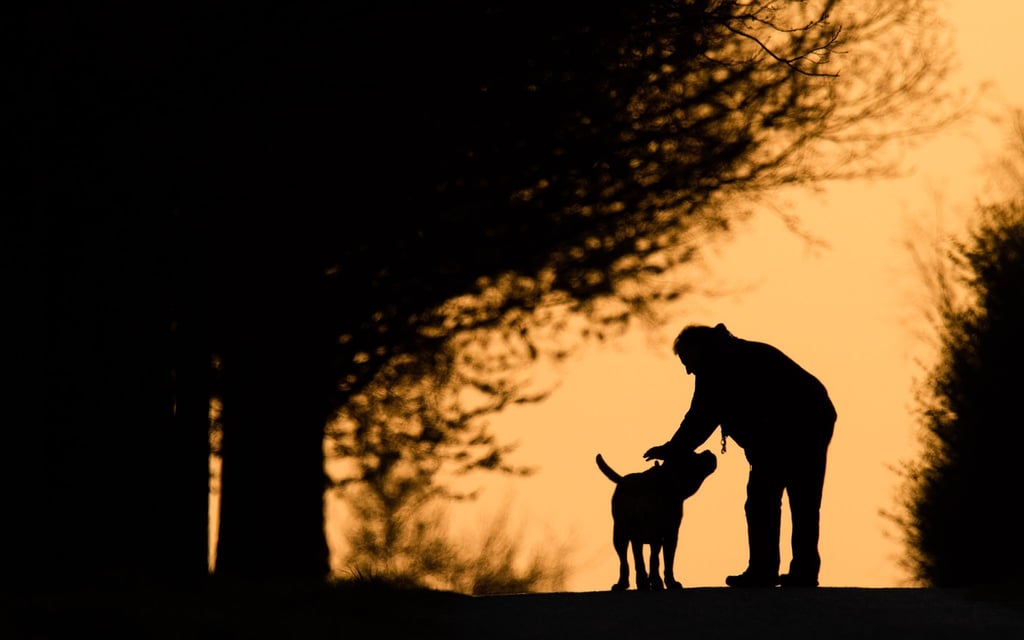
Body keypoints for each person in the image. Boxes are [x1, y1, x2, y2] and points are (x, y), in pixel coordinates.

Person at [644, 323, 837, 588]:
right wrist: (674, 448)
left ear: (699, 350)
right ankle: (795, 571)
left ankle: (767, 571)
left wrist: (673, 449)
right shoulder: (726, 356)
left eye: (687, 362)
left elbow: (701, 417)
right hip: (810, 419)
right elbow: (703, 416)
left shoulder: (719, 366)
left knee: (767, 499)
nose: (689, 371)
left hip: (797, 425)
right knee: (797, 499)